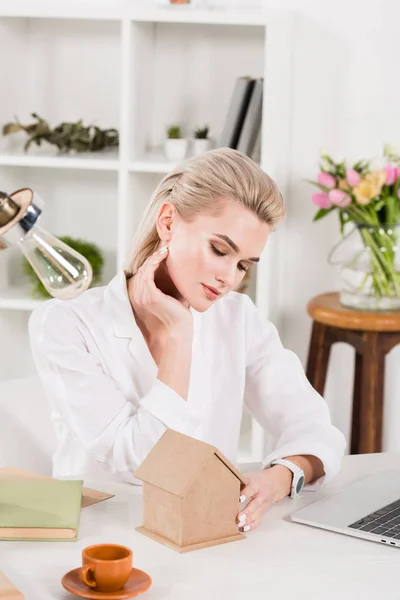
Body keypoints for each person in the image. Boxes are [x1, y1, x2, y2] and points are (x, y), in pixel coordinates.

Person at [29, 148, 346, 533]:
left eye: (243, 264)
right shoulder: (65, 324)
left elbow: (317, 430)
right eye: (219, 250)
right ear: (167, 221)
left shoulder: (238, 318)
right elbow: (141, 461)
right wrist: (180, 335)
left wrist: (279, 479)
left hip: (206, 534)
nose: (230, 277)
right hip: (99, 543)